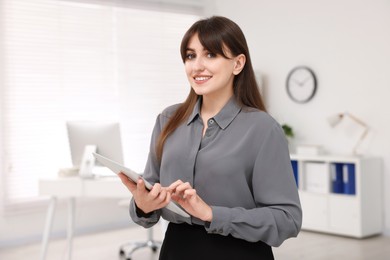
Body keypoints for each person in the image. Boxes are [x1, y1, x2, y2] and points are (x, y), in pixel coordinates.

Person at [119, 15, 302, 260]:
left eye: (211, 55)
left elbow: (287, 219)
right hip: (175, 250)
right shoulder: (168, 120)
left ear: (238, 64)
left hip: (239, 253)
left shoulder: (262, 129)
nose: (197, 66)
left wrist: (211, 213)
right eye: (190, 55)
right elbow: (149, 198)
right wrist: (143, 204)